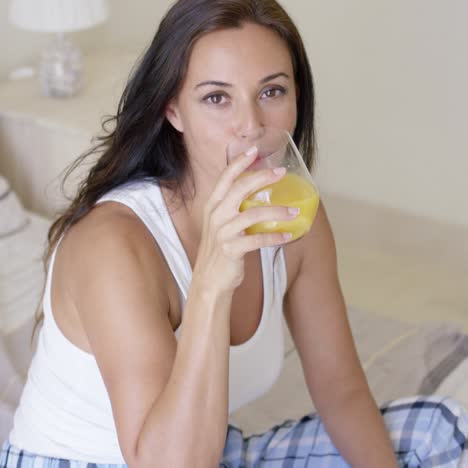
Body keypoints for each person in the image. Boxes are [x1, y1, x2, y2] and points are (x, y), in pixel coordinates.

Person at [2, 1, 467, 467]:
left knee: (436, 431)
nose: (252, 126)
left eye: (272, 92)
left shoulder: (294, 218)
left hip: (208, 450)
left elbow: (342, 391)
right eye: (216, 97)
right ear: (173, 110)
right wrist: (209, 284)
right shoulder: (114, 245)